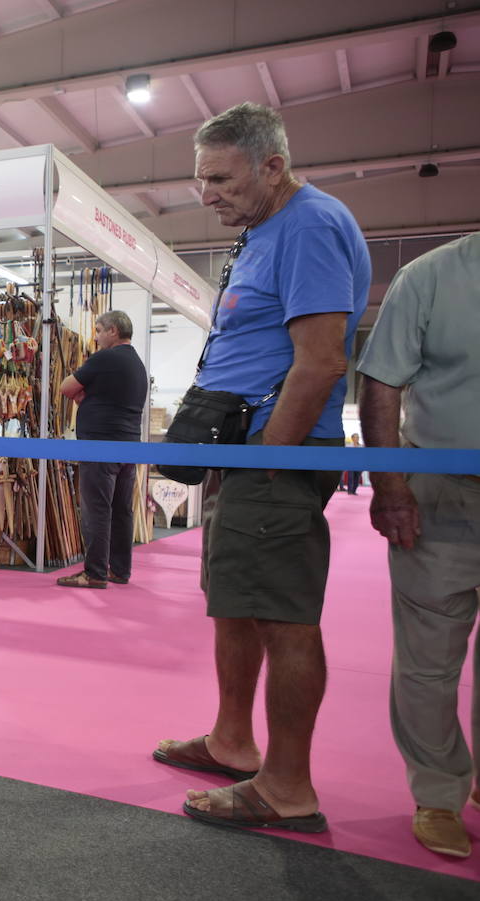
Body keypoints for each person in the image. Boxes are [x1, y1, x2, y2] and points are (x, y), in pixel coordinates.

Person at [150, 103, 370, 833]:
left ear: (272, 166)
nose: (205, 192)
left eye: (220, 177)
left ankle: (286, 787)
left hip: (275, 454)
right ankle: (231, 742)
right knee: (235, 601)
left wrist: (270, 463)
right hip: (243, 451)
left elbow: (321, 362)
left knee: (283, 618)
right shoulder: (262, 232)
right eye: (199, 178)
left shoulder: (307, 224)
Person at [357, 231, 480, 858]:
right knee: (430, 654)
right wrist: (392, 488)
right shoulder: (431, 276)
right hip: (442, 489)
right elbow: (381, 382)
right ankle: (437, 792)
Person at [56, 310, 148, 588]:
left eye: (99, 331)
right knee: (121, 509)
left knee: (96, 508)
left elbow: (65, 387)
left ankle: (94, 573)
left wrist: (85, 397)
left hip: (100, 445)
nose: (96, 338)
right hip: (128, 445)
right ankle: (119, 570)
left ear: (113, 331)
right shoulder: (137, 364)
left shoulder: (105, 358)